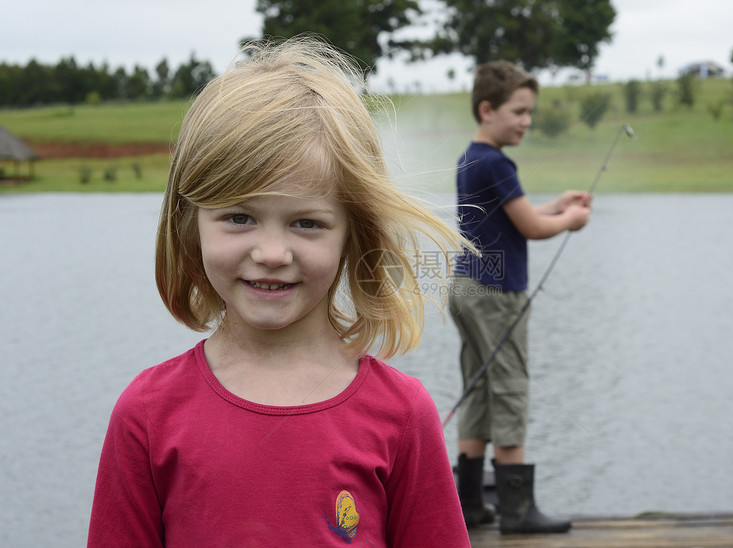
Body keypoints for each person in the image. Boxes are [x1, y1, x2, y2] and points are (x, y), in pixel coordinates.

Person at [87, 37, 471, 547]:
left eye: (307, 223)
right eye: (239, 217)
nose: (271, 252)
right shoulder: (146, 414)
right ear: (189, 225)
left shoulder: (403, 415)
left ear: (352, 234)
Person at [449, 60, 592, 534]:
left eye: (530, 112)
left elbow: (519, 214)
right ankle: (516, 511)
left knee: (479, 386)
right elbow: (531, 227)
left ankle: (468, 503)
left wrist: (557, 204)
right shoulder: (498, 162)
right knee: (509, 389)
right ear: (487, 109)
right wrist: (569, 221)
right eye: (519, 111)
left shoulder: (471, 158)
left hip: (466, 287)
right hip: (496, 293)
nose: (527, 121)